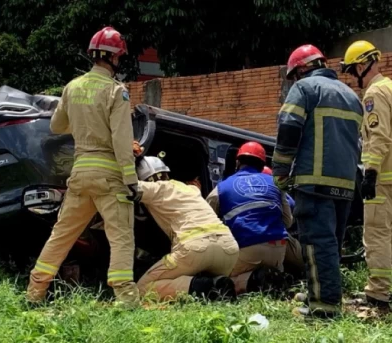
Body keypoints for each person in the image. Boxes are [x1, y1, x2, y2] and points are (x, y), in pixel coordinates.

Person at [26, 27, 141, 308]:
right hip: (110, 178)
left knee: (61, 235)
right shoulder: (116, 92)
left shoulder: (72, 87)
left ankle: (34, 292)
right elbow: (121, 138)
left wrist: (81, 122)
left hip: (79, 176)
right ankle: (126, 301)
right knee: (122, 239)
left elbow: (56, 126)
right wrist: (132, 180)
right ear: (115, 58)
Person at [272, 44, 363, 318]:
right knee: (331, 244)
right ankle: (320, 292)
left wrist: (280, 171)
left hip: (314, 182)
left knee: (315, 243)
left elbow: (288, 130)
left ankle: (324, 307)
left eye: (294, 76)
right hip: (346, 184)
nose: (294, 81)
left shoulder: (304, 90)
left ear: (301, 69)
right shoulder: (351, 95)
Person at [341, 40, 392, 309]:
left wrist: (370, 173)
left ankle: (378, 292)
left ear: (363, 65)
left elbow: (379, 137)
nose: (354, 79)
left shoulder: (375, 94)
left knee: (375, 234)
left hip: (384, 177)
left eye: (353, 72)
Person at [134, 155, 240, 301]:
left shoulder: (157, 188)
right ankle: (217, 284)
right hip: (228, 249)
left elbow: (129, 187)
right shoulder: (190, 189)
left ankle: (204, 287)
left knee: (143, 288)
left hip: (195, 248)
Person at [205, 141, 294, 295]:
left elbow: (206, 223)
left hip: (247, 249)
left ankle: (251, 281)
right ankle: (276, 278)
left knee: (219, 278)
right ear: (262, 164)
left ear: (238, 162)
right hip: (278, 249)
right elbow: (288, 221)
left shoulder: (221, 187)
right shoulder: (276, 183)